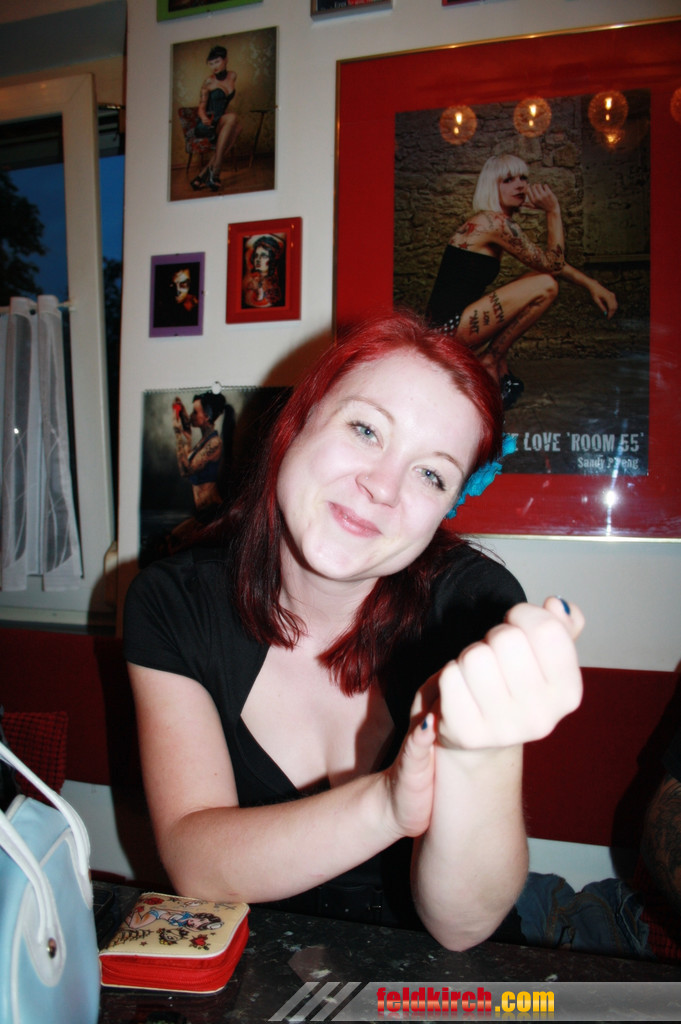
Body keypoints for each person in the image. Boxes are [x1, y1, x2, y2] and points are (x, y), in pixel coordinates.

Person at [125, 312, 584, 951]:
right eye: (366, 429)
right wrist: (388, 805)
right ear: (296, 425)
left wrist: (482, 752)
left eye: (431, 473)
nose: (382, 487)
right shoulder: (174, 602)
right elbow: (195, 865)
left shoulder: (471, 607)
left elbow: (462, 927)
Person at [425, 153, 618, 409]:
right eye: (508, 180)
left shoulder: (495, 222)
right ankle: (491, 360)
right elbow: (553, 264)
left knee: (541, 278)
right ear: (492, 186)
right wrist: (553, 211)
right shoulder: (494, 223)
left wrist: (592, 285)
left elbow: (545, 262)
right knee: (546, 285)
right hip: (446, 330)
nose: (520, 185)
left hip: (449, 325)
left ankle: (493, 360)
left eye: (523, 178)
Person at [190, 45, 241, 193]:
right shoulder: (208, 82)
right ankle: (216, 172)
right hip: (207, 124)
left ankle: (201, 176)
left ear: (225, 60)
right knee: (233, 118)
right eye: (211, 63)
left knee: (238, 127)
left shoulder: (233, 76)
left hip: (220, 119)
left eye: (217, 62)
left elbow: (224, 101)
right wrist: (203, 117)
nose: (214, 66)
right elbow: (201, 107)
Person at [172, 390, 232, 513]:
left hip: (213, 512)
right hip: (202, 512)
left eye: (195, 412)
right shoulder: (202, 442)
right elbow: (186, 462)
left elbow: (185, 471)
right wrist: (188, 438)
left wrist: (178, 434)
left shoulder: (214, 443)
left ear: (207, 416)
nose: (190, 416)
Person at [242, 236, 284, 309]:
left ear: (272, 259)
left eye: (263, 256)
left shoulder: (272, 283)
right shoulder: (253, 278)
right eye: (256, 256)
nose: (258, 260)